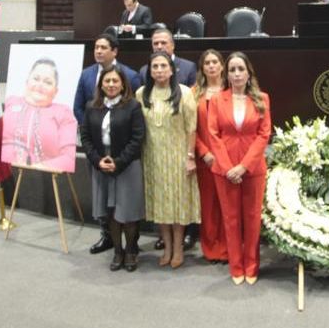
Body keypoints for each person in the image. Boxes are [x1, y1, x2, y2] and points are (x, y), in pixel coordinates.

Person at [206, 52, 272, 285]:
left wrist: (244, 166)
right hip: (225, 170)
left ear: (248, 73)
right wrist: (228, 168)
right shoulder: (216, 100)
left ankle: (251, 266)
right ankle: (236, 267)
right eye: (232, 69)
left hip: (252, 169)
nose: (236, 74)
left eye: (240, 69)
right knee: (231, 219)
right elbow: (213, 135)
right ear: (227, 73)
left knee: (253, 218)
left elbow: (264, 134)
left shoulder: (261, 98)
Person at [79, 66, 146, 271]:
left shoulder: (133, 106)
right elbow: (86, 137)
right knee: (109, 213)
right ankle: (118, 251)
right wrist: (97, 160)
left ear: (123, 84)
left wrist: (119, 162)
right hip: (101, 167)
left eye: (115, 81)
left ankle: (131, 250)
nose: (111, 85)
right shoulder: (92, 107)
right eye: (107, 81)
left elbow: (138, 138)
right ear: (101, 85)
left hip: (127, 166)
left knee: (127, 212)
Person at [139, 52, 200, 269]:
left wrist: (190, 157)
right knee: (161, 207)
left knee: (177, 205)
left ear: (172, 69)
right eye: (155, 66)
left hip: (178, 157)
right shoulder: (142, 94)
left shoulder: (184, 93)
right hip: (153, 157)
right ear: (150, 70)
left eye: (163, 66)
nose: (159, 70)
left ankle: (178, 249)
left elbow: (191, 127)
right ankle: (166, 247)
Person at [1, 58, 77, 171]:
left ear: (55, 91)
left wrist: (37, 168)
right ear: (27, 82)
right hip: (2, 174)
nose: (40, 85)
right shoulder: (10, 103)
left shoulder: (64, 114)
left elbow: (68, 159)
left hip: (42, 179)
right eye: (36, 79)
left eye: (48, 82)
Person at [192, 49, 228, 263]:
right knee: (208, 205)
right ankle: (211, 248)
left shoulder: (232, 90)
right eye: (207, 63)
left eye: (215, 62)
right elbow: (189, 128)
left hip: (228, 158)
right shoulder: (194, 92)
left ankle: (228, 246)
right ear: (202, 68)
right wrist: (203, 152)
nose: (212, 66)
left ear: (222, 66)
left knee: (227, 205)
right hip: (205, 159)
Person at [72, 34, 142, 129]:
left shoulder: (131, 76)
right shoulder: (86, 74)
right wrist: (89, 127)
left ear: (114, 51)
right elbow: (78, 107)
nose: (98, 51)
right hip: (92, 133)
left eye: (103, 48)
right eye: (96, 48)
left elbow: (136, 110)